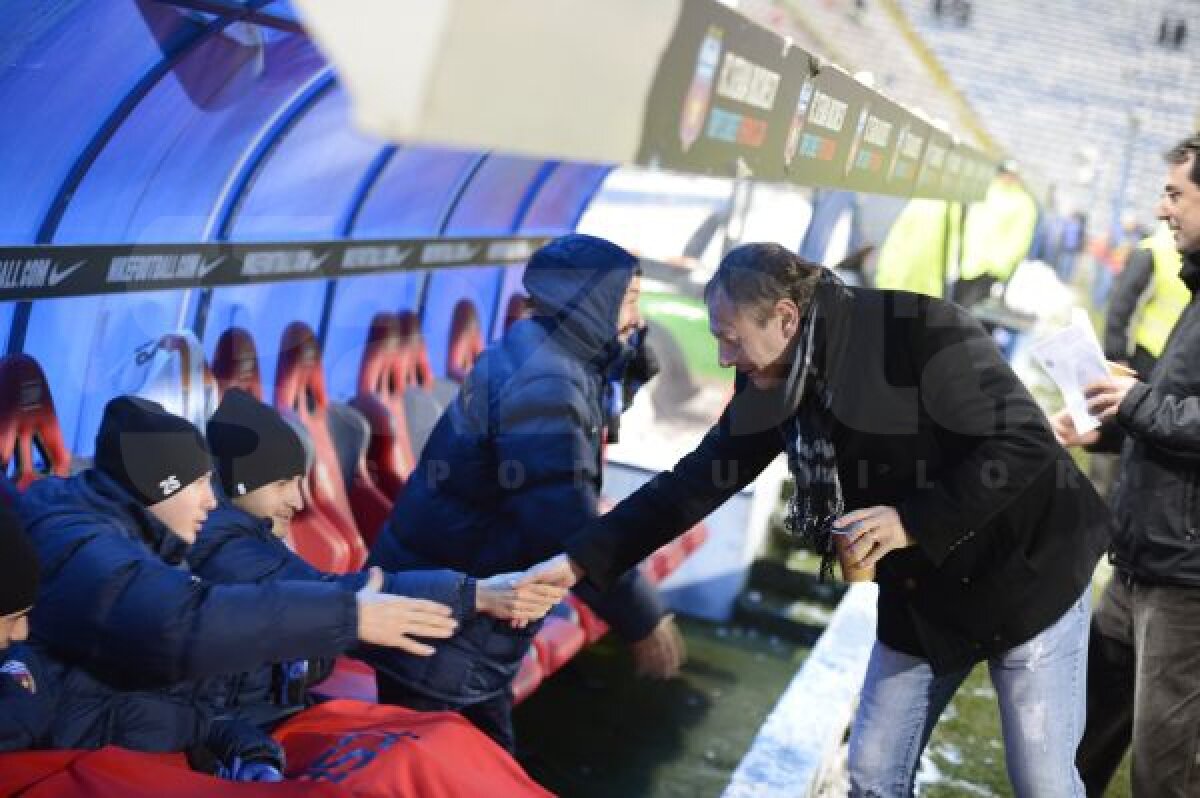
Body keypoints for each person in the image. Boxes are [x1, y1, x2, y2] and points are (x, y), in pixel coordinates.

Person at [527, 241, 1111, 797]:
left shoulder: (923, 330)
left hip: (1030, 569)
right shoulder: (770, 378)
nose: (725, 358)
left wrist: (911, 521)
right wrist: (581, 560)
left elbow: (1024, 442)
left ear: (786, 316)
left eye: (731, 340)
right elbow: (697, 480)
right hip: (924, 592)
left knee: (1041, 781)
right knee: (873, 770)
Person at [17, 396, 458, 774]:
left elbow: (125, 700)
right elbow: (177, 625)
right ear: (160, 489)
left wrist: (231, 738)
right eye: (197, 484)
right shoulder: (81, 547)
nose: (212, 499)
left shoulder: (143, 541)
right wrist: (347, 615)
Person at [367, 233, 685, 751]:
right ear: (589, 302)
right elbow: (567, 523)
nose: (636, 314)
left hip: (458, 624)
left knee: (477, 773)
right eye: (627, 298)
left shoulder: (543, 349)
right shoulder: (547, 386)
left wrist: (632, 352)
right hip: (446, 633)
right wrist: (642, 618)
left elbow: (600, 394)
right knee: (437, 777)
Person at [187, 388, 567, 729]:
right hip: (239, 728)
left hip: (267, 712)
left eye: (299, 483)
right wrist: (474, 595)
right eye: (282, 484)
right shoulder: (225, 549)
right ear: (240, 484)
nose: (299, 502)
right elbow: (322, 594)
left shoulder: (245, 533)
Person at [1065, 133, 1200, 798]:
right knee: (1074, 751)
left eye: (1175, 193)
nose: (1161, 208)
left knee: (1162, 777)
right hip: (1137, 567)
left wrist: (1137, 402)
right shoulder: (1194, 294)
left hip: (1187, 589)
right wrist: (1106, 431)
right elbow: (1175, 419)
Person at [1102, 221, 1186, 378]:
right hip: (1140, 354)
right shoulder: (1151, 252)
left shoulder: (1191, 256)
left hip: (1172, 362)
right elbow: (1120, 308)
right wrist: (1117, 356)